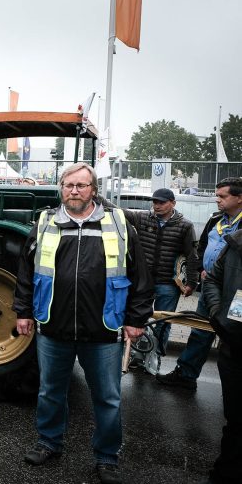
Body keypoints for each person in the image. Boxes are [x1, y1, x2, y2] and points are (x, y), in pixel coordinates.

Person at [12, 162, 153, 484]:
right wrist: (22, 311)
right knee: (50, 392)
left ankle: (106, 457)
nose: (74, 191)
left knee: (107, 397)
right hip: (53, 327)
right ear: (61, 188)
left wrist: (136, 318)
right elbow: (26, 273)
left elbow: (139, 274)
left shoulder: (118, 223)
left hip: (103, 329)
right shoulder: (46, 222)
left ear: (94, 189)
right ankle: (49, 442)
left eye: (81, 185)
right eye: (68, 185)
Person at [158, 177, 242, 390]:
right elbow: (202, 246)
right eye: (217, 195)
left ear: (239, 198)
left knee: (233, 338)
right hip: (211, 287)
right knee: (200, 331)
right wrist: (203, 269)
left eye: (223, 196)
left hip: (236, 294)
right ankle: (186, 375)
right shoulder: (216, 220)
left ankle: (232, 387)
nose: (217, 200)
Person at [125, 188, 200, 357]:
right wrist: (93, 192)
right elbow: (118, 210)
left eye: (161, 202)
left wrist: (191, 283)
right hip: (143, 282)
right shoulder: (143, 217)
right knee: (138, 319)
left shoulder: (185, 225)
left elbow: (191, 255)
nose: (157, 206)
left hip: (168, 283)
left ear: (173, 203)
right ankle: (137, 357)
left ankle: (155, 358)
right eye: (155, 202)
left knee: (163, 323)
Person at [202, 227, 242, 484]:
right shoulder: (237, 241)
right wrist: (218, 314)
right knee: (237, 421)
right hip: (235, 346)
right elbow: (214, 280)